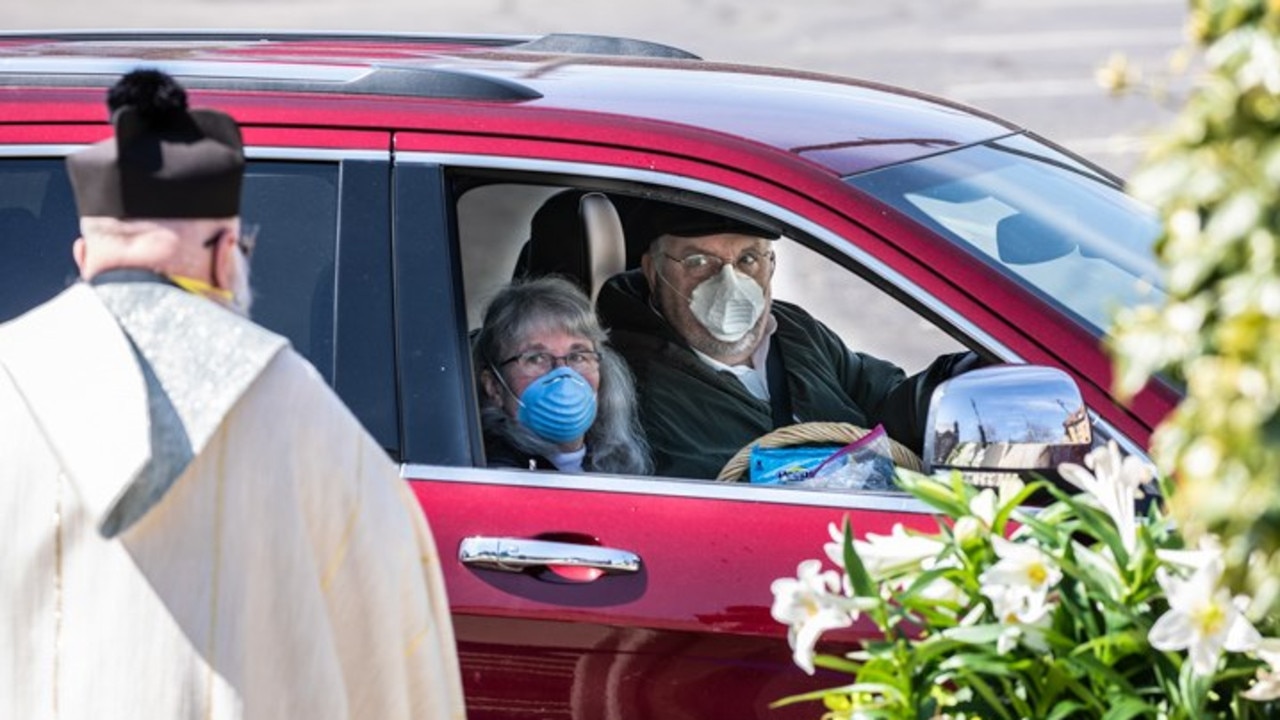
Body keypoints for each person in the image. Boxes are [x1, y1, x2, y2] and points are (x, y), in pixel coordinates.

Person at [0, 70, 466, 720]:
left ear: (83, 255)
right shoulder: (301, 414)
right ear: (226, 259)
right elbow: (394, 656)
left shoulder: (8, 384)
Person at [596, 201, 984, 479]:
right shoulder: (629, 378)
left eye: (748, 259)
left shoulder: (794, 331)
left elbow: (887, 400)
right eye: (700, 262)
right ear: (653, 271)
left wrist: (971, 372)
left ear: (771, 266)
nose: (728, 283)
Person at [473, 276, 652, 475]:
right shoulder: (494, 475)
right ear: (494, 387)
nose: (563, 374)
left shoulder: (617, 461)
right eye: (536, 358)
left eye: (577, 356)